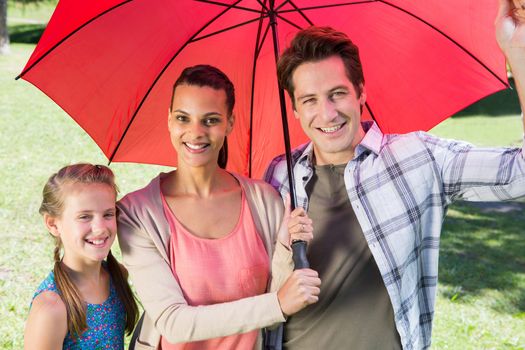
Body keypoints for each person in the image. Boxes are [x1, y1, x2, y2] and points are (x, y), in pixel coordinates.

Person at [264, 1, 525, 349]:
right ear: (294, 108)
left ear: (361, 93)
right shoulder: (280, 175)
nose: (326, 114)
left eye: (337, 93)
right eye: (309, 100)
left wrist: (517, 49)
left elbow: (519, 173)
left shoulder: (416, 157)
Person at [117, 64, 321, 349]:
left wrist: (287, 248)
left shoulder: (265, 202)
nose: (195, 132)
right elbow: (173, 323)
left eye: (210, 120)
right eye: (183, 118)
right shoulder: (136, 213)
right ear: (169, 120)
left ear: (230, 122)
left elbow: (275, 317)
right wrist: (276, 304)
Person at [24, 164, 139, 349]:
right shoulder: (51, 308)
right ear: (53, 224)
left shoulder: (117, 277)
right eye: (85, 216)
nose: (100, 228)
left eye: (108, 214)